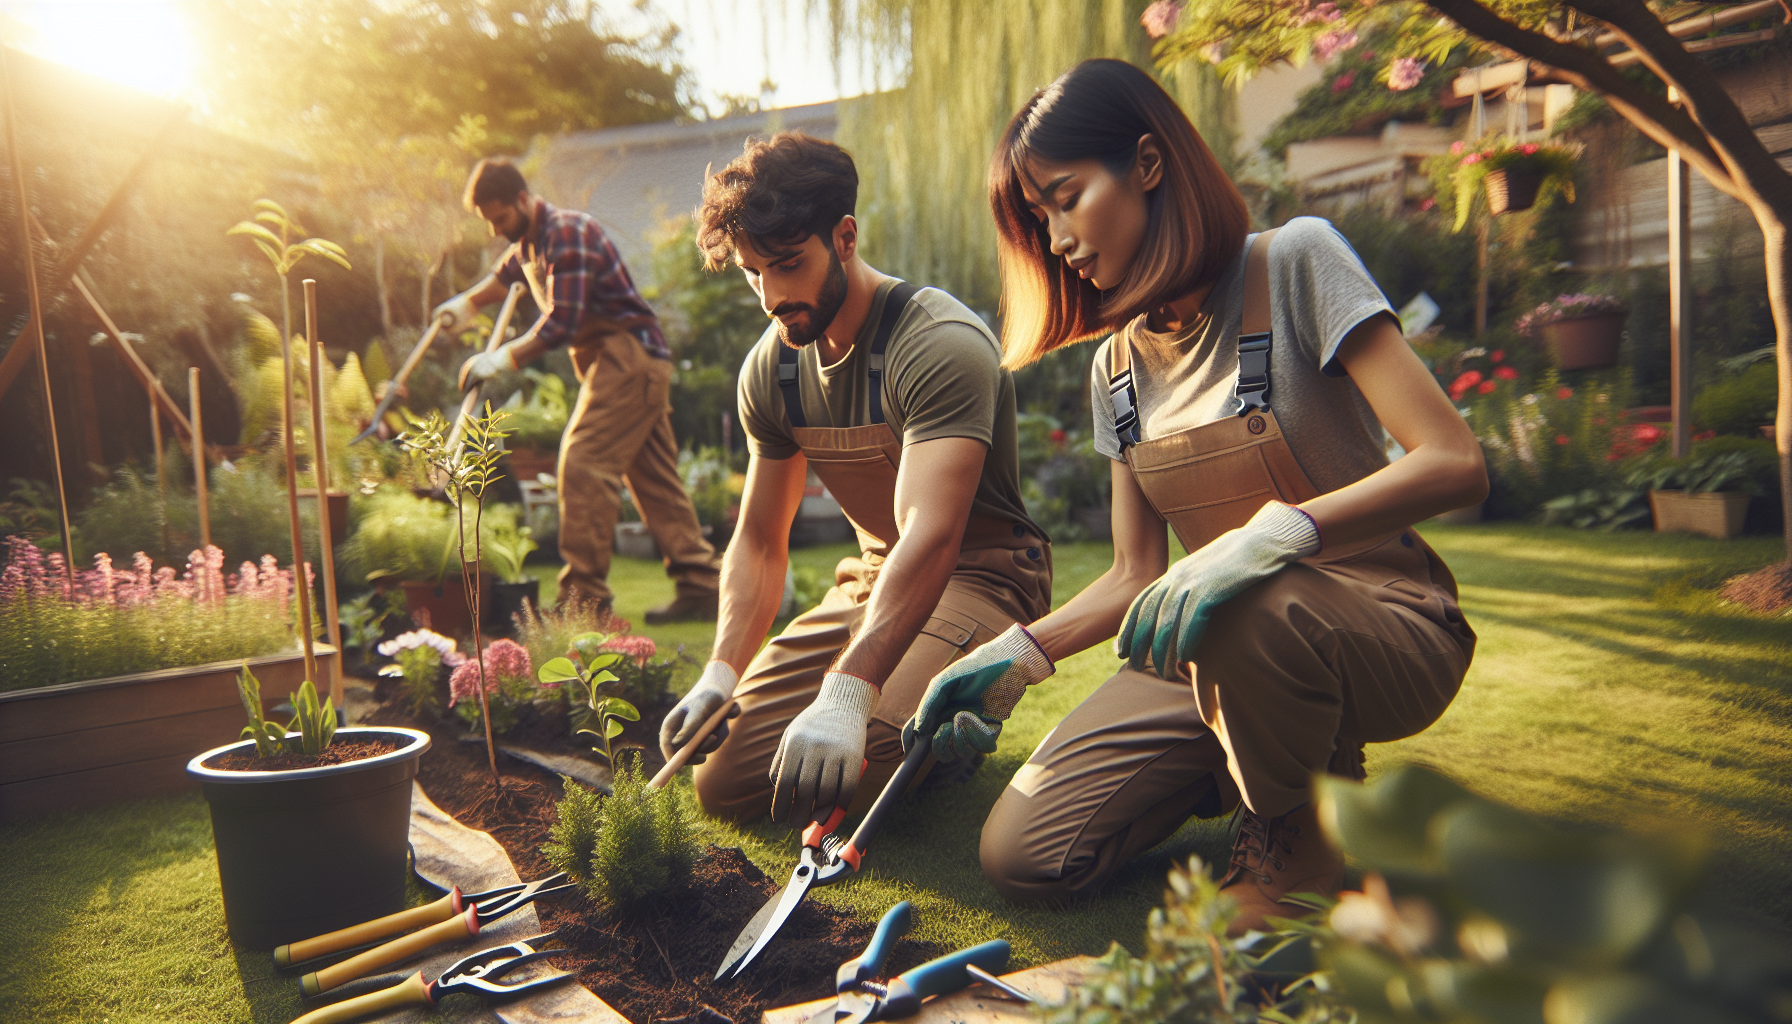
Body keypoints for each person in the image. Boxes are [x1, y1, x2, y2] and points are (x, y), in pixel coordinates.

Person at [903, 59, 1484, 933]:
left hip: (1382, 620)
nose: (1055, 236)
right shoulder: (1116, 367)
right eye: (1039, 216)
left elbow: (1452, 460)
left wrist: (1269, 537)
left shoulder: (1295, 261)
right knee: (1023, 855)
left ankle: (1295, 846)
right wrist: (1014, 656)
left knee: (1249, 597)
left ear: (1146, 163)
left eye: (1066, 196)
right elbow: (1137, 574)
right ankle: (1251, 747)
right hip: (1220, 646)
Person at [656, 132, 1054, 825]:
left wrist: (847, 692)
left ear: (844, 237)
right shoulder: (773, 369)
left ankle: (956, 727)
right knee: (724, 779)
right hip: (874, 580)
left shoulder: (937, 345)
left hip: (982, 575)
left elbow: (931, 536)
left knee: (849, 767)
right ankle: (903, 711)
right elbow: (757, 540)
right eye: (754, 273)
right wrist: (721, 670)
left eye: (788, 264)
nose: (773, 296)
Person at [436, 158, 721, 622]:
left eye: (501, 218)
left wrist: (501, 357)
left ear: (524, 200)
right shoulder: (529, 242)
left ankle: (584, 601)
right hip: (627, 364)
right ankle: (702, 585)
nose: (496, 229)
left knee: (584, 462)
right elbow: (502, 277)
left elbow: (563, 322)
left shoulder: (567, 232)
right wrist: (463, 305)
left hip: (628, 357)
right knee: (657, 484)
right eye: (489, 221)